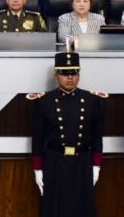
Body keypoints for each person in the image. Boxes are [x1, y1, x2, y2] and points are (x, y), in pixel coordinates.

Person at [31, 51, 105, 216]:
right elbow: (37, 139)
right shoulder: (45, 101)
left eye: (74, 73)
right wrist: (38, 169)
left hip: (82, 162)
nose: (70, 77)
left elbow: (97, 137)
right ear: (55, 76)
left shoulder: (91, 100)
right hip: (55, 162)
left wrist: (96, 166)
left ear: (79, 75)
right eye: (64, 73)